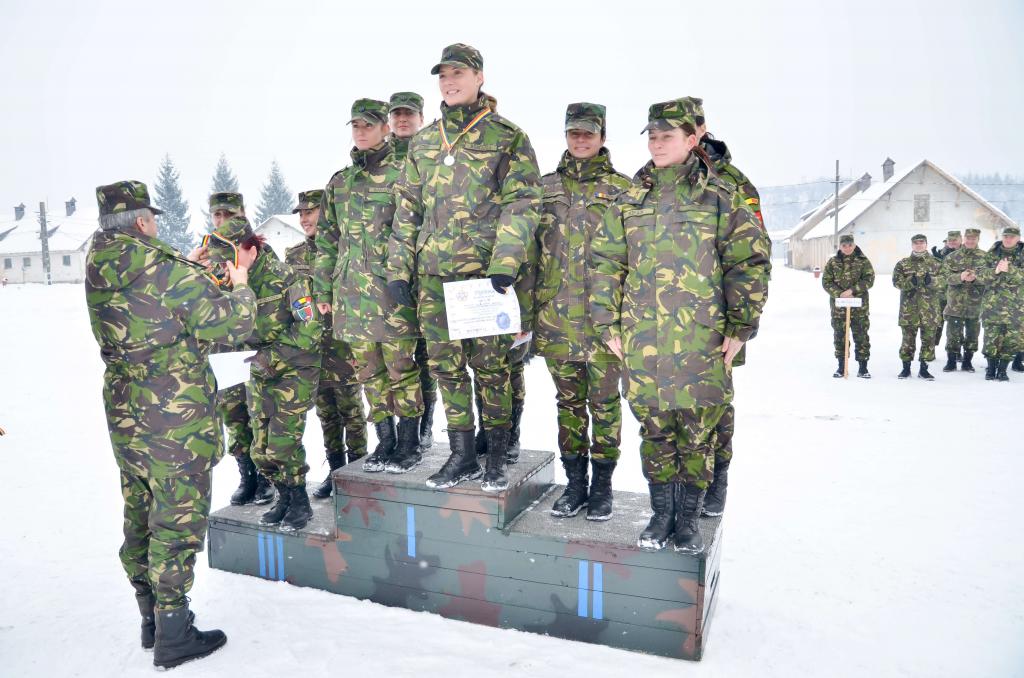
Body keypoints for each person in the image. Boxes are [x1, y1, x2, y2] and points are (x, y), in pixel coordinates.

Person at [86, 180, 256, 668]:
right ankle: (175, 632)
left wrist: (191, 279)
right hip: (172, 415)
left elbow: (154, 311)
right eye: (152, 217)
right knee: (176, 522)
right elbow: (234, 326)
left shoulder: (100, 266)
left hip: (125, 411)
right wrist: (239, 284)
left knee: (140, 511)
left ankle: (149, 618)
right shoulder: (164, 269)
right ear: (142, 221)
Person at [591, 98, 771, 553]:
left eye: (667, 135)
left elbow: (748, 262)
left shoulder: (720, 198)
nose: (656, 143)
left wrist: (741, 325)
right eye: (651, 135)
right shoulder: (630, 199)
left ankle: (688, 518)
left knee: (696, 433)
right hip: (643, 340)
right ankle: (660, 514)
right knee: (654, 431)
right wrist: (605, 318)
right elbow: (606, 261)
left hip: (700, 339)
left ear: (692, 140)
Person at [387, 43, 541, 492]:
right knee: (445, 367)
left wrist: (506, 262)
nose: (449, 81)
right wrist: (400, 269)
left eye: (458, 73)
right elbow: (407, 210)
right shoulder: (425, 141)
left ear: (479, 78)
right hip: (434, 275)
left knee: (490, 366)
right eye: (442, 75)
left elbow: (523, 202)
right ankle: (461, 454)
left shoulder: (506, 136)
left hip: (484, 279)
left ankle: (496, 454)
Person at [315, 99, 424, 473]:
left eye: (369, 125)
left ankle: (410, 443)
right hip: (351, 297)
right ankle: (386, 441)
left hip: (391, 293)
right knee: (368, 372)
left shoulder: (404, 175)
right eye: (356, 126)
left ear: (385, 128)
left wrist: (404, 279)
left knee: (401, 369)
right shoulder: (340, 183)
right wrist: (323, 291)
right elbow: (328, 240)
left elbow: (414, 233)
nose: (361, 131)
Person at [533, 102, 631, 521]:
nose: (581, 139)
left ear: (603, 136)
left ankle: (603, 486)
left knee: (605, 404)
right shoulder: (544, 189)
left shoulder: (625, 191)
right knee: (568, 404)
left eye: (589, 132)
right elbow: (528, 252)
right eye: (574, 132)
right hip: (555, 320)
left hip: (605, 324)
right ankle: (575, 485)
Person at [209, 216, 321, 530]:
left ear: (252, 251)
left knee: (282, 445)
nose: (224, 263)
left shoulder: (286, 278)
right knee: (260, 449)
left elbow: (310, 328)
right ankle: (284, 497)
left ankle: (300, 501)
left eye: (229, 255)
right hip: (258, 373)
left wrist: (269, 355)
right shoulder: (232, 284)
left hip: (294, 370)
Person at [688, 97, 768, 517]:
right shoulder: (661, 179)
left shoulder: (734, 182)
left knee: (716, 406)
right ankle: (685, 489)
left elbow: (755, 255)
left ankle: (716, 481)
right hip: (670, 321)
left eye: (693, 124)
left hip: (720, 320)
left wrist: (742, 324)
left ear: (702, 128)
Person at [285, 190, 367, 498]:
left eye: (311, 212)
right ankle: (335, 471)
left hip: (344, 344)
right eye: (301, 214)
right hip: (312, 349)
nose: (304, 219)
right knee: (326, 414)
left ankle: (357, 474)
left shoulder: (345, 249)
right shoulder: (293, 256)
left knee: (352, 412)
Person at [208, 192, 275, 507]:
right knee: (234, 416)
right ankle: (246, 475)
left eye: (228, 215)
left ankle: (266, 477)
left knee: (259, 415)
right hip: (225, 354)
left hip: (255, 351)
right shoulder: (210, 260)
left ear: (242, 216)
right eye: (217, 215)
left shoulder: (257, 253)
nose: (221, 221)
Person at [388, 91, 438, 450]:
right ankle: (408, 428)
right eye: (396, 115)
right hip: (395, 275)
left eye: (409, 115)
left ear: (422, 117)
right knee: (401, 358)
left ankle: (428, 423)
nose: (402, 121)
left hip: (434, 270)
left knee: (432, 355)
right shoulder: (379, 159)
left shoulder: (434, 153)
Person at [892, 234, 944, 379]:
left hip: (930, 311)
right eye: (916, 243)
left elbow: (945, 282)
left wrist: (931, 281)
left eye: (921, 242)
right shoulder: (903, 264)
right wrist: (910, 282)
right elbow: (896, 282)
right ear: (912, 245)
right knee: (907, 341)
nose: (919, 245)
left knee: (928, 341)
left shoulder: (936, 263)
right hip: (909, 310)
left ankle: (924, 368)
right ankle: (906, 368)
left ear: (926, 244)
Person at [822, 234, 874, 378]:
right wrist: (840, 294)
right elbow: (826, 282)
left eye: (850, 245)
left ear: (854, 245)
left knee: (861, 336)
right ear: (840, 246)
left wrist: (853, 290)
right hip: (839, 308)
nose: (847, 248)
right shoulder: (833, 262)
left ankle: (863, 367)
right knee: (840, 336)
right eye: (844, 245)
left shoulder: (863, 261)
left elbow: (869, 279)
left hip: (859, 308)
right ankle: (841, 366)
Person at [977, 226, 1024, 381]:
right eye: (1006, 236)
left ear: (1018, 238)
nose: (1008, 239)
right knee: (991, 339)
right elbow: (980, 275)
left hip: (1016, 307)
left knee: (1011, 340)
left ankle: (1003, 370)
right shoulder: (991, 254)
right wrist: (995, 271)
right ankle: (991, 369)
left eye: (1011, 237)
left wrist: (1010, 269)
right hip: (993, 306)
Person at [940, 227, 986, 372]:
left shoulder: (986, 257)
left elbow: (991, 278)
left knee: (972, 335)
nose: (970, 241)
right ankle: (951, 362)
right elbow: (944, 276)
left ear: (978, 239)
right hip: (955, 304)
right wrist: (960, 277)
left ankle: (967, 362)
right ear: (964, 239)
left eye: (973, 238)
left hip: (975, 305)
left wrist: (976, 279)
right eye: (968, 238)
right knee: (953, 335)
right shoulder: (952, 257)